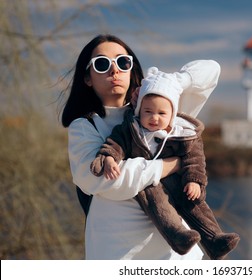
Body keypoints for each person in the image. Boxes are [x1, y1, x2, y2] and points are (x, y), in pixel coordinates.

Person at [61, 34, 221, 260]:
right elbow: (101, 179)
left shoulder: (160, 107)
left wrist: (173, 84)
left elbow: (211, 70)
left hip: (178, 258)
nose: (114, 70)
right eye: (102, 63)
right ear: (87, 77)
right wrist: (170, 165)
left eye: (122, 62)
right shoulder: (85, 126)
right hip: (119, 254)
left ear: (131, 68)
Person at [90, 68, 240, 259]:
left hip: (180, 181)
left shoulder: (182, 134)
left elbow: (195, 160)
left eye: (162, 113)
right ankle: (178, 236)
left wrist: (194, 181)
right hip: (150, 184)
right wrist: (109, 158)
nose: (154, 118)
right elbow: (114, 144)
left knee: (195, 204)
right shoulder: (131, 130)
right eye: (148, 112)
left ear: (172, 115)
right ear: (139, 111)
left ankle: (214, 239)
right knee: (159, 206)